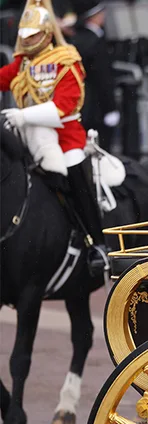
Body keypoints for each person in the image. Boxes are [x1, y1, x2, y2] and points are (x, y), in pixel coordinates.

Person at [1, 0, 109, 278]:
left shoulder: (66, 60)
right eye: (25, 36)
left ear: (47, 33)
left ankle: (96, 243)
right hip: (29, 135)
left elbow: (64, 106)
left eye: (34, 36)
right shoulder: (23, 62)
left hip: (66, 136)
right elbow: (3, 78)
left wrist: (24, 116)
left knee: (76, 177)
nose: (28, 41)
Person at [70, 0, 117, 150]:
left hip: (81, 105)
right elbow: (103, 79)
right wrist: (110, 108)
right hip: (97, 108)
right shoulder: (95, 42)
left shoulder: (76, 39)